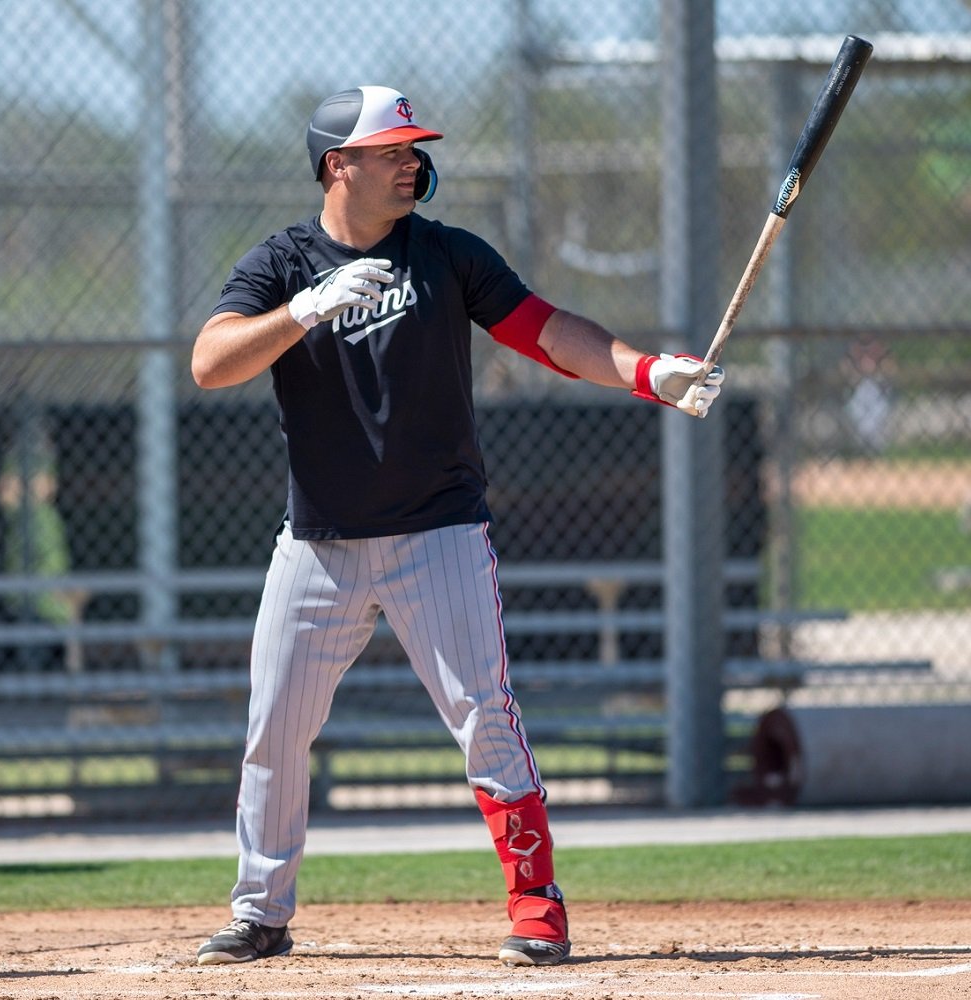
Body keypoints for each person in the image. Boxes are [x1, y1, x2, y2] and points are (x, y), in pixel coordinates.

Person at [190, 85, 725, 969]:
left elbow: (548, 332)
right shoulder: (281, 263)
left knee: (486, 714)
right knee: (275, 726)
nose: (411, 160)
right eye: (391, 149)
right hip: (318, 542)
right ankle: (260, 911)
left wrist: (647, 371)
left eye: (413, 148)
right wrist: (306, 310)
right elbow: (211, 362)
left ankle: (535, 904)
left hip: (437, 532)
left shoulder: (446, 256)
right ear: (338, 166)